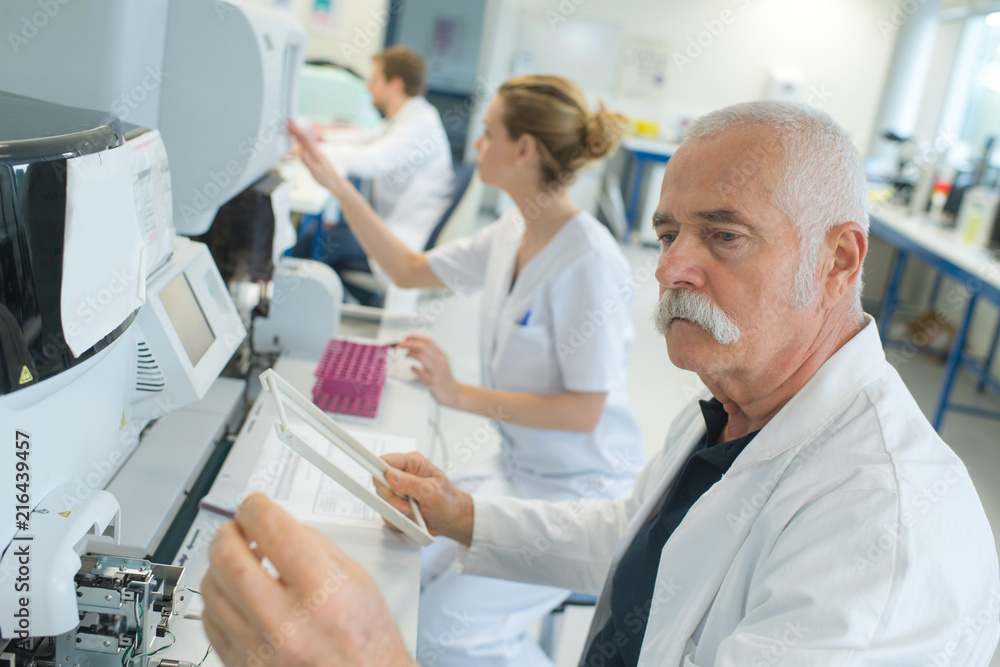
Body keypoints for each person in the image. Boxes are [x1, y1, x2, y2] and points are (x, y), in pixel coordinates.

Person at [202, 101, 1000, 666]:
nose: (672, 267)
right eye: (666, 233)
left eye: (723, 234)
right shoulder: (734, 409)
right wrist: (465, 516)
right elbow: (639, 541)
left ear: (839, 261)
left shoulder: (882, 528)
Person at [288, 74, 644, 665]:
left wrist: (457, 392)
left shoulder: (589, 261)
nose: (476, 146)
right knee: (397, 574)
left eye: (488, 133)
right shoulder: (512, 230)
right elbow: (405, 268)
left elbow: (585, 411)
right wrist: (336, 182)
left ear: (524, 149)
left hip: (579, 498)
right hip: (516, 474)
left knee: (443, 634)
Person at [291, 46, 454, 297]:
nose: (369, 87)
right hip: (391, 228)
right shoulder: (409, 116)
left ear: (395, 85)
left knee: (308, 247)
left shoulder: (419, 124)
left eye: (375, 80)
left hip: (402, 242)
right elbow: (368, 138)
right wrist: (320, 137)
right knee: (318, 236)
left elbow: (371, 161)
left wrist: (312, 151)